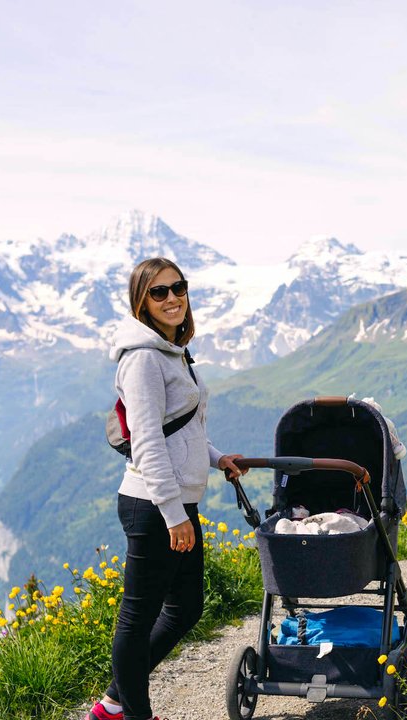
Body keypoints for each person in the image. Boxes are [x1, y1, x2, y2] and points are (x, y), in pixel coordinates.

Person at [89, 257, 245, 720]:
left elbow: (183, 428)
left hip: (176, 499)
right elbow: (148, 442)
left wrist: (218, 459)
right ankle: (134, 713)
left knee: (186, 607)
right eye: (159, 292)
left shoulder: (172, 351)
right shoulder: (141, 359)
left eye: (178, 287)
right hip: (153, 503)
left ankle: (114, 703)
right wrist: (173, 513)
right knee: (137, 618)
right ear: (142, 300)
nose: (172, 298)